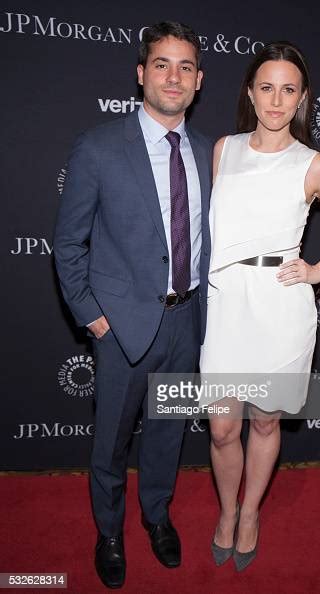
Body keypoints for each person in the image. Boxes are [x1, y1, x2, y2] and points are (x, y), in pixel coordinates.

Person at [199, 42, 320, 571]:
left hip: (280, 308)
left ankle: (248, 514)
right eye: (266, 87)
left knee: (266, 424)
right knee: (223, 427)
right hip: (227, 304)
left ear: (302, 99)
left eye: (288, 90)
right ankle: (225, 511)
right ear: (250, 93)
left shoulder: (312, 163)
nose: (276, 100)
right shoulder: (224, 149)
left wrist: (317, 271)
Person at [54, 22, 211, 588]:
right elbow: (69, 243)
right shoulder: (98, 147)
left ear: (198, 81)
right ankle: (111, 531)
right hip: (121, 328)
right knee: (111, 441)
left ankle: (157, 516)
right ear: (141, 74)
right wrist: (92, 316)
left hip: (187, 321)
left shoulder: (206, 153)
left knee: (168, 433)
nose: (174, 76)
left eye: (186, 67)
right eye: (162, 64)